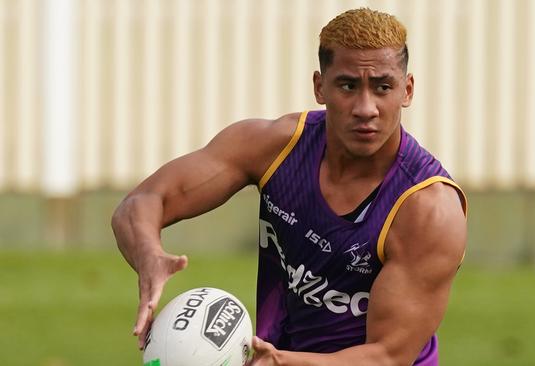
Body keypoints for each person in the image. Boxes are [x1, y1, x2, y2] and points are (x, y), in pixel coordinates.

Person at [112, 7, 467, 366]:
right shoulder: (276, 148)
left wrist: (281, 362)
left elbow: (387, 357)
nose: (365, 107)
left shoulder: (428, 209)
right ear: (319, 87)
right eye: (347, 85)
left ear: (406, 90)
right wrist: (149, 257)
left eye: (382, 87)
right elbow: (143, 201)